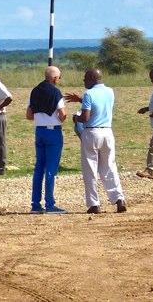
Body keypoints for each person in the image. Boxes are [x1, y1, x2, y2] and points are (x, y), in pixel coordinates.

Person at [64, 69, 127, 214]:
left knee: (90, 169)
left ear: (92, 78)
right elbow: (99, 104)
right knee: (109, 167)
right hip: (107, 132)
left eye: (85, 78)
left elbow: (85, 117)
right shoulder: (110, 91)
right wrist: (80, 100)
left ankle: (94, 203)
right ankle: (119, 199)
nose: (84, 81)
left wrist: (76, 118)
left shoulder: (89, 94)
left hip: (92, 133)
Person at [26, 66, 68, 213]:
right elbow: (62, 115)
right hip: (53, 131)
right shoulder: (56, 92)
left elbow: (29, 115)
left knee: (39, 168)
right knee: (50, 169)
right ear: (55, 78)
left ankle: (35, 204)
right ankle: (50, 204)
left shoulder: (34, 91)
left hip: (39, 131)